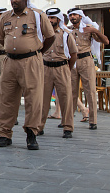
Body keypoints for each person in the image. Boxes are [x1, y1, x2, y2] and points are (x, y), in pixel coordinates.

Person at [0, 0, 55, 151]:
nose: (13, 1)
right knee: (6, 98)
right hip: (10, 62)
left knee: (33, 99)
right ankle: (5, 134)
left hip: (30, 61)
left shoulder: (37, 15)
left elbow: (50, 37)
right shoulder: (5, 16)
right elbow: (0, 37)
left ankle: (31, 134)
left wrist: (37, 52)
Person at [38, 8, 77, 138]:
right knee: (43, 99)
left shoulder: (66, 34)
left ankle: (67, 127)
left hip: (62, 67)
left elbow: (73, 54)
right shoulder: (42, 34)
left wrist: (67, 69)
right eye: (48, 18)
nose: (50, 20)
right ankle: (39, 126)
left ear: (58, 19)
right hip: (46, 68)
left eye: (52, 18)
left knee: (66, 98)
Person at [67, 7, 109, 130]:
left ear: (80, 16)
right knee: (72, 92)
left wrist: (95, 30)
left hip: (86, 60)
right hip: (73, 61)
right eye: (70, 15)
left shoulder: (88, 29)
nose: (72, 17)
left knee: (90, 90)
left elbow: (105, 41)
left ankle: (93, 120)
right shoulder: (68, 30)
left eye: (75, 15)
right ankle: (68, 121)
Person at [0, 8, 8, 99]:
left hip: (4, 55)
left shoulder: (7, 26)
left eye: (1, 14)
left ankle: (4, 101)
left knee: (4, 82)